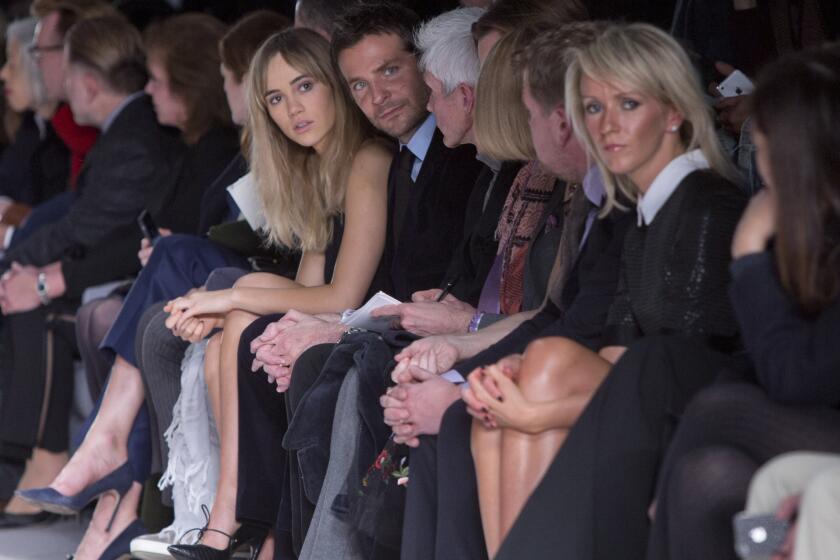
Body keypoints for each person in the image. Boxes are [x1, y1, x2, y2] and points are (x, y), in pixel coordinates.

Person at [475, 22, 746, 559]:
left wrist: (541, 411)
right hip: (649, 399)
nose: (607, 126)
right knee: (515, 390)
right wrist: (519, 384)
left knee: (543, 371)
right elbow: (623, 350)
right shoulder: (643, 210)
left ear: (673, 112)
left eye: (627, 104)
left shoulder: (709, 204)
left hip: (712, 416)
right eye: (593, 109)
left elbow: (678, 379)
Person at [156, 27, 394, 558]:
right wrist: (228, 302)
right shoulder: (318, 169)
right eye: (276, 98)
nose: (294, 109)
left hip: (375, 324)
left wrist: (225, 302)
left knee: (239, 309)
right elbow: (306, 288)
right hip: (338, 321)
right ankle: (249, 527)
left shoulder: (368, 159)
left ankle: (234, 520)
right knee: (231, 324)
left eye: (305, 86)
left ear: (334, 84)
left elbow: (342, 295)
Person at [644, 45, 840, 560]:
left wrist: (750, 259)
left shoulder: (777, 227)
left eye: (766, 128)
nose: (755, 139)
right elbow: (759, 359)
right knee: (708, 477)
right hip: (818, 433)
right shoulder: (809, 228)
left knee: (719, 408)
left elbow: (798, 376)